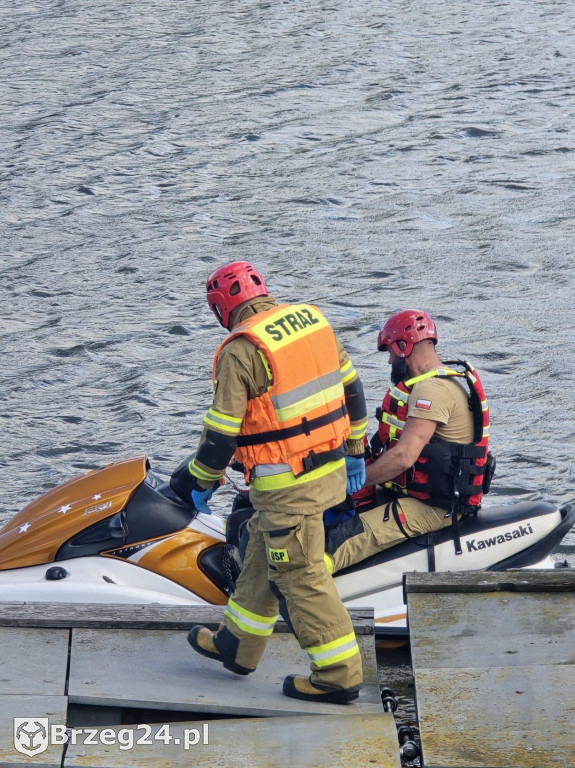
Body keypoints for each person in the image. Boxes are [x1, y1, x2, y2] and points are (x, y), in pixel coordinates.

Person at [170, 261, 369, 704]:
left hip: (287, 485)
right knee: (261, 549)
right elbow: (353, 390)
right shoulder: (313, 322)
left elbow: (222, 431)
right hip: (330, 469)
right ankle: (237, 644)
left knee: (300, 573)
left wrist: (200, 479)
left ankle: (339, 674)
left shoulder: (241, 350)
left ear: (222, 309)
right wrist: (355, 451)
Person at [325, 308, 491, 573]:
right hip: (423, 495)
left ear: (404, 346)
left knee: (336, 544)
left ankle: (308, 594)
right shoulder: (439, 382)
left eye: (391, 352)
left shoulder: (432, 390)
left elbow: (404, 456)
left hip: (433, 508)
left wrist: (353, 482)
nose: (390, 361)